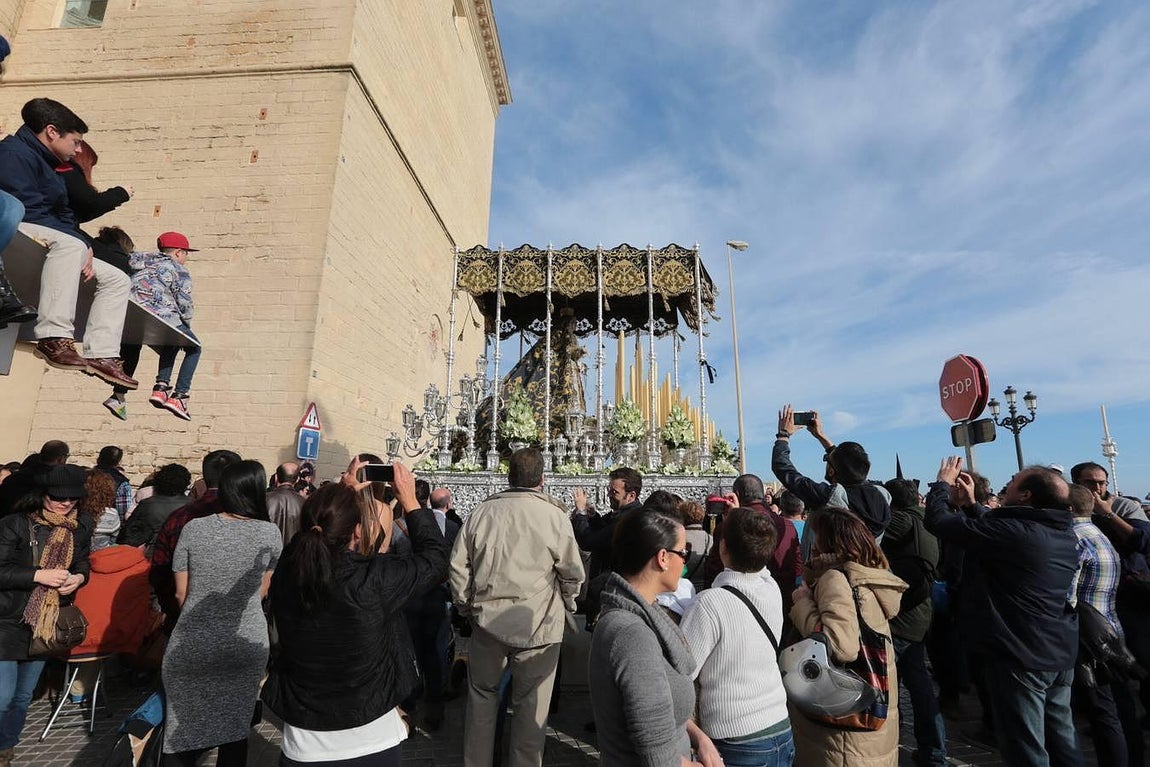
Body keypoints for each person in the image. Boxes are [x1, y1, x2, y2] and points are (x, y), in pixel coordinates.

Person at [263, 461, 450, 766]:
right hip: (370, 737)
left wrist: (342, 494)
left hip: (303, 740)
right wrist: (411, 502)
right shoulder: (373, 579)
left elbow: (309, 536)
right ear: (359, 531)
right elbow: (435, 560)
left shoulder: (288, 571)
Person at [925, 458, 1082, 767]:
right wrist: (972, 505)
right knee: (1062, 739)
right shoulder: (1059, 532)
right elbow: (999, 530)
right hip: (1057, 650)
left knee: (1026, 746)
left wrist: (942, 484)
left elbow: (939, 523)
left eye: (1014, 480)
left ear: (1025, 496)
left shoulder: (1015, 532)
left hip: (1021, 653)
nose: (1007, 483)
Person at [449, 447, 585, 767]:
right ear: (542, 479)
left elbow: (457, 567)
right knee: (531, 706)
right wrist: (568, 599)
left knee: (482, 697)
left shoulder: (482, 512)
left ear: (508, 476)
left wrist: (466, 606)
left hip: (487, 620)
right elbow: (572, 571)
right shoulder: (554, 515)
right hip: (539, 622)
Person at [0, 98, 136, 388]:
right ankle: (53, 337)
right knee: (72, 246)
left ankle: (102, 354)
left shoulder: (52, 167)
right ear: (52, 131)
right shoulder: (13, 153)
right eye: (75, 142)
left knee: (117, 279)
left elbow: (64, 215)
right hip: (16, 223)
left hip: (51, 233)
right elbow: (26, 206)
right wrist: (76, 242)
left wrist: (82, 242)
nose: (77, 150)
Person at [162, 459, 282, 766]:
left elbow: (180, 593)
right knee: (235, 730)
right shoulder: (270, 534)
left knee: (181, 731)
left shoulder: (194, 529)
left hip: (194, 639)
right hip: (245, 638)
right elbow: (261, 592)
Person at [588, 509, 719, 767]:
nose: (685, 561)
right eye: (683, 553)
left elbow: (661, 713)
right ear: (662, 558)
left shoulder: (641, 612)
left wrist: (699, 738)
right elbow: (656, 751)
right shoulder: (632, 634)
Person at [789, 506, 905, 767]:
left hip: (842, 731)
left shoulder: (835, 578)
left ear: (829, 540)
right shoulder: (869, 575)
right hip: (873, 717)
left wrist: (802, 604)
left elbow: (841, 645)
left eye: (816, 533)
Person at [681, 506, 793, 766]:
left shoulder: (709, 604)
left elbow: (682, 672)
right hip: (780, 725)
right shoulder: (771, 588)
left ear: (722, 548)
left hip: (736, 739)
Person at [0, 464, 93, 765]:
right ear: (41, 495)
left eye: (73, 498)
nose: (66, 503)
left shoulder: (78, 528)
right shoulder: (13, 524)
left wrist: (78, 579)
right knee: (2, 697)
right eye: (58, 497)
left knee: (23, 697)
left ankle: (6, 747)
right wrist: (38, 575)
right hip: (7, 620)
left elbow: (82, 565)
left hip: (45, 623)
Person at [1066, 484, 1141, 767]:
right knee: (1116, 707)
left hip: (1088, 639)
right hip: (1109, 630)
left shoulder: (1074, 538)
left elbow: (1067, 596)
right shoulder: (1098, 534)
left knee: (1103, 712)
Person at [880, 479, 946, 767]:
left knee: (892, 684)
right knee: (919, 683)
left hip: (901, 613)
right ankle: (934, 750)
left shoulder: (899, 522)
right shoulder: (927, 520)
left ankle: (894, 742)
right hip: (921, 609)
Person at [107, 231, 202, 421]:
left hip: (129, 312)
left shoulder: (138, 260)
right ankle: (178, 395)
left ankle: (118, 395)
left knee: (134, 344)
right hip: (161, 314)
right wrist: (186, 323)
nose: (186, 258)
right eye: (185, 253)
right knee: (194, 347)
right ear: (177, 253)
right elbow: (184, 302)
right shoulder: (179, 269)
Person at [150, 449, 241, 634]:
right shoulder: (248, 519)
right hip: (234, 623)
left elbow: (160, 569)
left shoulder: (179, 517)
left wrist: (172, 609)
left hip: (182, 618)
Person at [772, 406, 890, 540]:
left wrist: (783, 436)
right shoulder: (881, 495)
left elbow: (783, 468)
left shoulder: (830, 498)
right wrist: (821, 436)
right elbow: (850, 467)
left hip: (835, 561)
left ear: (832, 470)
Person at [705, 474, 800, 619]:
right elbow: (797, 566)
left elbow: (714, 570)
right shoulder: (787, 526)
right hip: (783, 605)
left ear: (736, 495)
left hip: (739, 608)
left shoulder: (729, 527)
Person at [119, 463, 192, 552]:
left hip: (155, 552)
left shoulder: (148, 504)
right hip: (185, 552)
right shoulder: (195, 505)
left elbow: (129, 534)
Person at [267, 463, 304, 545]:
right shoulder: (304, 502)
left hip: (268, 551)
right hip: (293, 552)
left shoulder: (265, 499)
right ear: (297, 479)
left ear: (276, 477)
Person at [94, 445, 134, 521]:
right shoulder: (122, 483)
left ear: (98, 459)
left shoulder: (85, 475)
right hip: (109, 523)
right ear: (118, 462)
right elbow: (122, 512)